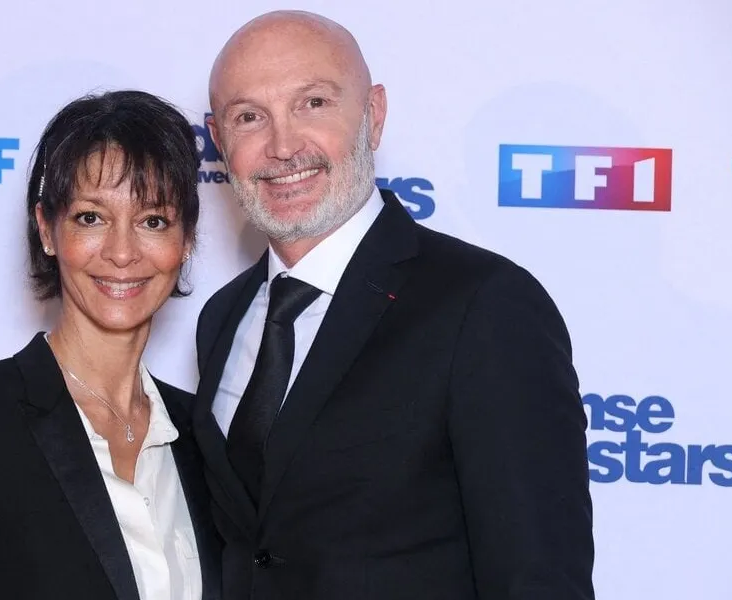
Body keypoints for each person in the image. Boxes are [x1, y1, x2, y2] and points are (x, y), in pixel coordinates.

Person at [192, 10, 595, 599]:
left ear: (373, 116)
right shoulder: (222, 318)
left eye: (313, 103)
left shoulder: (482, 306)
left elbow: (538, 578)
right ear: (219, 138)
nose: (282, 146)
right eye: (249, 116)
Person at [0, 90, 221, 600]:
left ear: (187, 242)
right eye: (91, 217)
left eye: (153, 220)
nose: (122, 252)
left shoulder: (203, 440)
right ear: (47, 229)